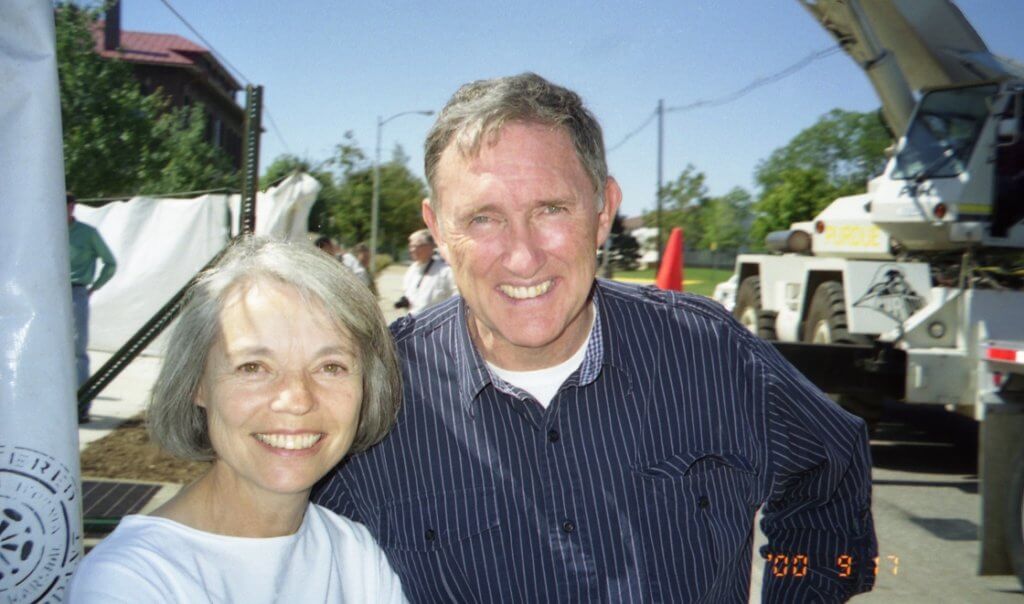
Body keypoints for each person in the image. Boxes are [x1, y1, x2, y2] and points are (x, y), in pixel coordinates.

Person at [315, 73, 877, 602]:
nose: (522, 256)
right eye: (483, 218)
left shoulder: (710, 353)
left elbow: (830, 477)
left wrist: (800, 586)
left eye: (551, 209)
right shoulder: (372, 396)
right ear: (438, 228)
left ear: (604, 210)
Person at [70, 237, 406, 603]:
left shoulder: (355, 554)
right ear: (197, 384)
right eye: (253, 367)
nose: (296, 399)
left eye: (330, 366)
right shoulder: (133, 582)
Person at [67, 193, 116, 422]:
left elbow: (110, 262)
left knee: (77, 350)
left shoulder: (87, 234)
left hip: (76, 291)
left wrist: (94, 287)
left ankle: (81, 406)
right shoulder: (47, 233)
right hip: (50, 295)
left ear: (73, 207)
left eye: (66, 205)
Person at [394, 229, 456, 314]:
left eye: (417, 246)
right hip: (412, 322)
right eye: (411, 246)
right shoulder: (412, 269)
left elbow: (457, 298)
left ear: (430, 246)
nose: (412, 250)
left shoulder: (446, 271)